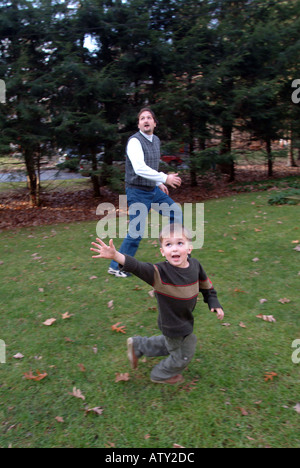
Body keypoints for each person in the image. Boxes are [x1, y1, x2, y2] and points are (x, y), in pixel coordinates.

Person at [91, 223, 224, 385]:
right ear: (162, 251)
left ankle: (139, 345)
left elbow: (207, 287)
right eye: (168, 244)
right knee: (183, 353)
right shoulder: (159, 273)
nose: (174, 249)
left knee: (171, 344)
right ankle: (161, 374)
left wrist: (213, 302)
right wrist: (115, 255)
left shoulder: (195, 266)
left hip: (185, 319)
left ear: (189, 248)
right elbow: (137, 266)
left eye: (180, 243)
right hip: (173, 324)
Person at [108, 107, 183, 278]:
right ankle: (116, 266)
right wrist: (164, 178)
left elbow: (151, 166)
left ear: (154, 123)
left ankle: (176, 252)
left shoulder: (155, 140)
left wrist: (157, 182)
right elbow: (140, 168)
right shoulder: (134, 141)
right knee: (136, 231)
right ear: (139, 123)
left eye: (149, 118)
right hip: (137, 191)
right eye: (142, 118)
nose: (146, 120)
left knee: (176, 213)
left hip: (152, 190)